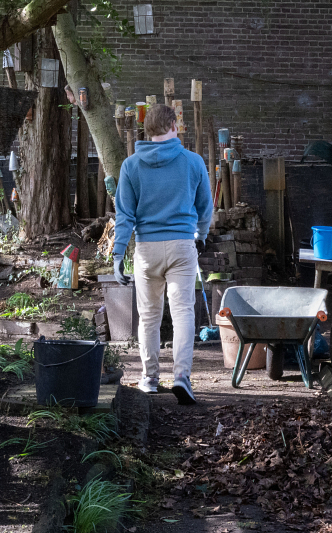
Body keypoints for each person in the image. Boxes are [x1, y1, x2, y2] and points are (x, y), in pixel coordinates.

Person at [113, 104, 213, 405]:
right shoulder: (193, 161)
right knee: (183, 313)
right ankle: (182, 377)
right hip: (182, 245)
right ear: (172, 126)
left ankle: (149, 378)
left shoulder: (130, 165)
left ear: (147, 129)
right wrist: (202, 235)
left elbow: (124, 215)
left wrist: (118, 253)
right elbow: (205, 207)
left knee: (149, 317)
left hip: (147, 249)